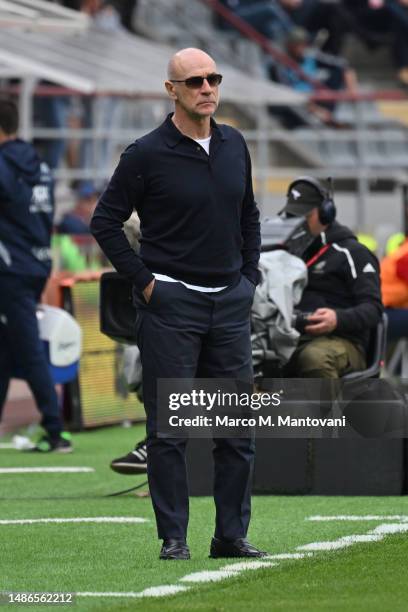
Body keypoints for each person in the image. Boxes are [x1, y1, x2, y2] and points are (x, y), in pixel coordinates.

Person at [91, 47, 265, 560]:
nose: (207, 88)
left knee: (237, 432)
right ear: (172, 90)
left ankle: (230, 536)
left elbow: (249, 213)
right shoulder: (145, 153)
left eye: (213, 78)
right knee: (169, 431)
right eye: (194, 81)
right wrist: (147, 284)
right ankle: (174, 539)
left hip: (229, 304)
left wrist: (249, 277)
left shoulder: (235, 144)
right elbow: (105, 222)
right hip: (171, 306)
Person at [0, 98, 72, 452]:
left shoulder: (2, 164)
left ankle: (55, 429)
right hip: (37, 263)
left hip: (9, 269)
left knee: (28, 350)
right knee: (4, 345)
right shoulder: (39, 164)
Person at [282, 176, 383, 378]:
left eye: (305, 216)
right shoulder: (284, 254)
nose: (298, 223)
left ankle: (329, 411)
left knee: (315, 358)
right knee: (240, 356)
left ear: (326, 214)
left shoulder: (353, 253)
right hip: (290, 338)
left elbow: (373, 310)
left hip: (342, 341)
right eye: (292, 216)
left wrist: (337, 319)